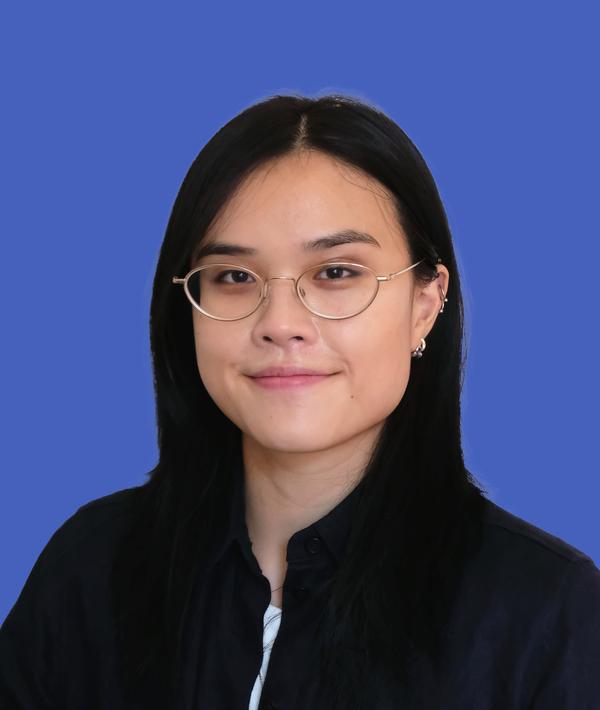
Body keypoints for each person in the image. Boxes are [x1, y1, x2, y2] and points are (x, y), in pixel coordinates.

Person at [1, 93, 599, 710]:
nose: (281, 323)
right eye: (234, 276)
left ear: (425, 303)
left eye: (336, 272)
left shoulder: (548, 617)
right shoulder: (93, 568)